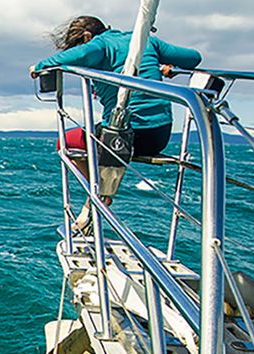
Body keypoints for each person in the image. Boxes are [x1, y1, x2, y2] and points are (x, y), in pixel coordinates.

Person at [31, 15, 202, 229]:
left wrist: (39, 65)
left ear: (87, 36)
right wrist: (166, 65)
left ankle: (99, 194)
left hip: (123, 137)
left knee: (65, 143)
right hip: (159, 137)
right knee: (99, 136)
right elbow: (194, 58)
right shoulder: (145, 40)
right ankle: (99, 194)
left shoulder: (99, 44)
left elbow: (78, 55)